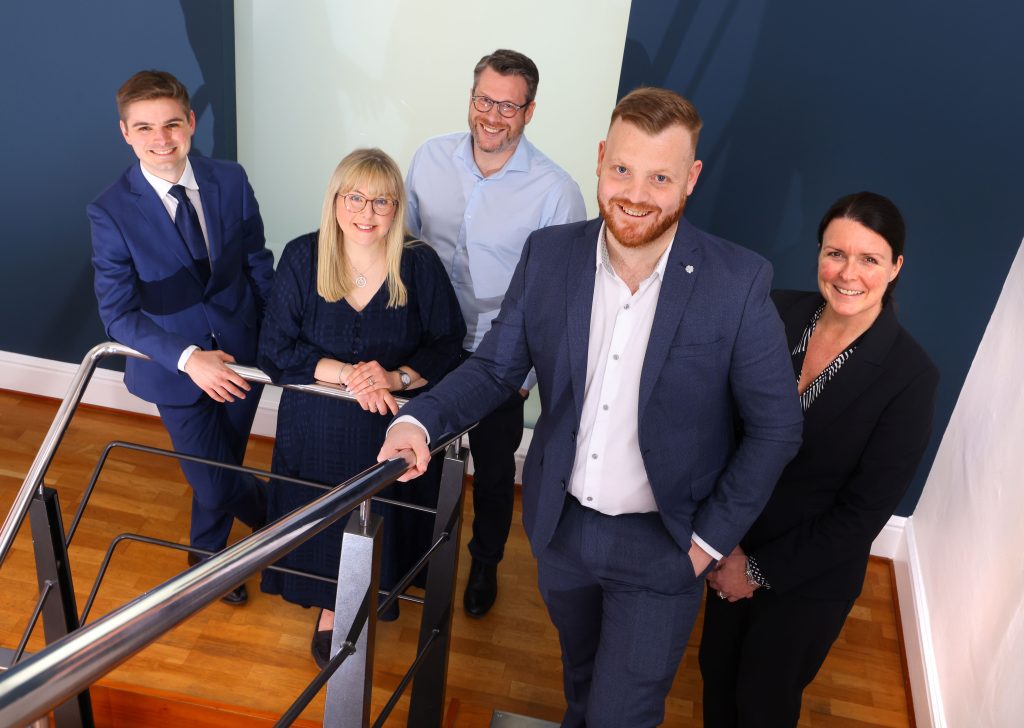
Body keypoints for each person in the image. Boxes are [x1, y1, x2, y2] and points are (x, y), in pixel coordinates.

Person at [380, 87, 804, 727]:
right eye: (623, 169)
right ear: (602, 158)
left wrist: (708, 542)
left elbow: (775, 428)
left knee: (620, 715)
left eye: (661, 176)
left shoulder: (737, 281)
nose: (636, 192)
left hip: (667, 543)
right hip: (563, 532)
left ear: (689, 179)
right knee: (580, 682)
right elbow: (497, 367)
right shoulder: (550, 255)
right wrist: (418, 421)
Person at [699, 192, 939, 727]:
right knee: (715, 675)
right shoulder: (775, 311)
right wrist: (724, 538)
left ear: (896, 267)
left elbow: (862, 514)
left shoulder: (911, 378)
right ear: (818, 255)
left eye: (869, 259)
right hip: (729, 540)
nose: (847, 273)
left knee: (763, 701)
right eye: (835, 253)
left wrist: (755, 570)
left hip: (808, 576)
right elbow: (718, 423)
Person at [257, 148, 465, 668]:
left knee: (383, 525)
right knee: (324, 523)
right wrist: (349, 373)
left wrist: (392, 377)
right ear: (335, 201)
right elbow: (275, 351)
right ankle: (331, 608)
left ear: (397, 209)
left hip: (391, 429)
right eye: (355, 197)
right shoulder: (304, 257)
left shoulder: (418, 264)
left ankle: (373, 597)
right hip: (316, 428)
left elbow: (447, 345)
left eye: (381, 201)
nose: (366, 212)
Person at [405, 48, 587, 617]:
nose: (493, 115)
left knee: (491, 470)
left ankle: (485, 563)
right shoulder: (429, 158)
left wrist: (526, 374)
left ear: (529, 112)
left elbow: (560, 295)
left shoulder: (556, 190)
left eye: (509, 106)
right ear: (471, 99)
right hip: (427, 341)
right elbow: (403, 251)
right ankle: (411, 558)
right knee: (415, 454)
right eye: (485, 100)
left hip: (500, 353)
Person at [89, 70, 274, 606]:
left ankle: (207, 558)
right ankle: (292, 519)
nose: (161, 138)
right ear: (126, 133)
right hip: (177, 371)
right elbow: (118, 314)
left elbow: (257, 261)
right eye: (144, 127)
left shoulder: (230, 180)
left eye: (172, 123)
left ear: (191, 122)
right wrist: (190, 359)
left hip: (243, 355)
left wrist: (267, 336)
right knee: (217, 480)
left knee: (227, 462)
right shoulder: (109, 211)